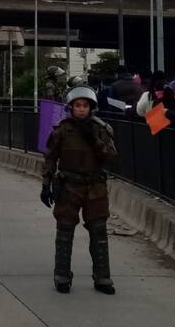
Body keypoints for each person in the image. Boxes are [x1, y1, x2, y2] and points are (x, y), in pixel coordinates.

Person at [41, 86, 117, 295]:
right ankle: (62, 276)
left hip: (95, 187)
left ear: (91, 108)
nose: (81, 109)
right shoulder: (63, 130)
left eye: (85, 106)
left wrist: (94, 140)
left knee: (99, 232)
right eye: (77, 106)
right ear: (71, 107)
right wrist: (45, 185)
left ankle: (102, 277)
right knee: (65, 231)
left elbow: (111, 156)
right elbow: (50, 157)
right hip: (69, 186)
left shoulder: (101, 129)